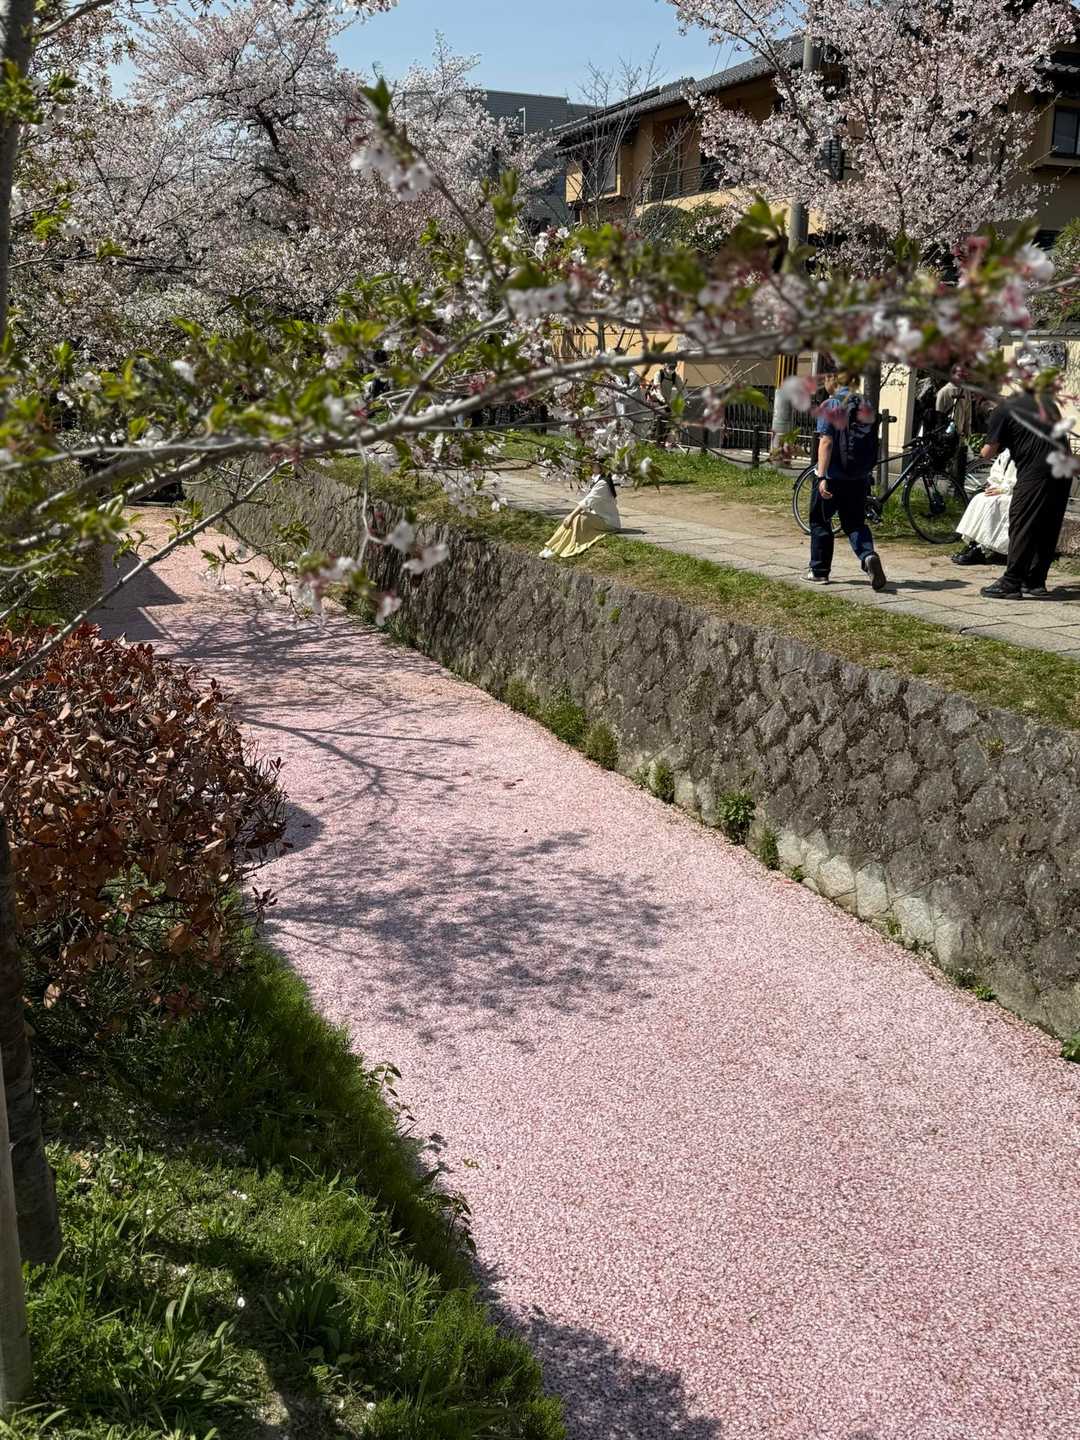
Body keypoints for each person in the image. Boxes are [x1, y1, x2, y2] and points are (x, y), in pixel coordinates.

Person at [979, 354, 1069, 600]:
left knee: (1023, 523)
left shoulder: (1004, 409)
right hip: (1063, 471)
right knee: (1048, 525)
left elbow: (988, 452)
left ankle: (1011, 582)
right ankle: (1035, 581)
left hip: (1036, 473)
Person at [808, 369, 887, 589]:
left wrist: (821, 476)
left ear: (832, 379)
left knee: (820, 521)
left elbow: (826, 442)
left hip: (833, 476)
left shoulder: (831, 405)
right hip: (858, 477)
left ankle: (819, 572)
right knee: (855, 523)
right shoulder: (865, 404)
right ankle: (868, 555)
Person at [951, 449, 1016, 565]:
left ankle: (984, 549)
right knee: (979, 498)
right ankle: (975, 543)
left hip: (1016, 493)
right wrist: (994, 485)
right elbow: (996, 472)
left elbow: (1023, 479)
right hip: (1002, 490)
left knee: (995, 504)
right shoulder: (1007, 452)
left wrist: (1003, 489)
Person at [540, 469, 621, 560]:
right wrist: (571, 516)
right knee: (574, 518)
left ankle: (559, 549)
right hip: (599, 517)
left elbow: (587, 501)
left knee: (578, 518)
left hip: (609, 522)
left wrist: (571, 515)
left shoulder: (603, 484)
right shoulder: (595, 481)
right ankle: (552, 545)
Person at [655, 360, 686, 445]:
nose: (672, 369)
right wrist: (662, 399)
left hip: (666, 401)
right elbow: (657, 389)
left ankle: (663, 442)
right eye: (670, 367)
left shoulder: (674, 376)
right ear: (665, 366)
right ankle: (658, 441)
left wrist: (686, 398)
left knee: (669, 419)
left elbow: (682, 388)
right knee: (661, 417)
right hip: (656, 399)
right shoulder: (659, 374)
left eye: (674, 367)